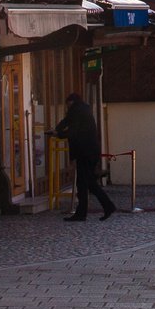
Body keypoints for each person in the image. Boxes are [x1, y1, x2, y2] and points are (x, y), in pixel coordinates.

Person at [54, 91, 116, 222]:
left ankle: (102, 207)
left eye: (67, 105)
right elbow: (68, 122)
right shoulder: (84, 110)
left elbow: (72, 130)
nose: (67, 108)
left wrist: (58, 133)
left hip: (84, 152)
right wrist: (59, 130)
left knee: (85, 183)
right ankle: (95, 209)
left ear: (70, 103)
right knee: (86, 183)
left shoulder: (75, 110)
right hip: (91, 152)